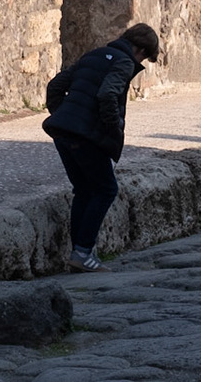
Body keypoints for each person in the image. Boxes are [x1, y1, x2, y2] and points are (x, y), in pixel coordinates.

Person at [42, 22, 161, 271]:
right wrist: (112, 127)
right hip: (86, 137)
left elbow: (55, 86)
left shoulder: (92, 54)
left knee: (84, 190)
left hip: (63, 132)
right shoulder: (125, 62)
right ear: (139, 49)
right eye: (144, 57)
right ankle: (83, 251)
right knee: (106, 189)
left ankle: (81, 253)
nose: (141, 62)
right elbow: (107, 94)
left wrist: (64, 114)